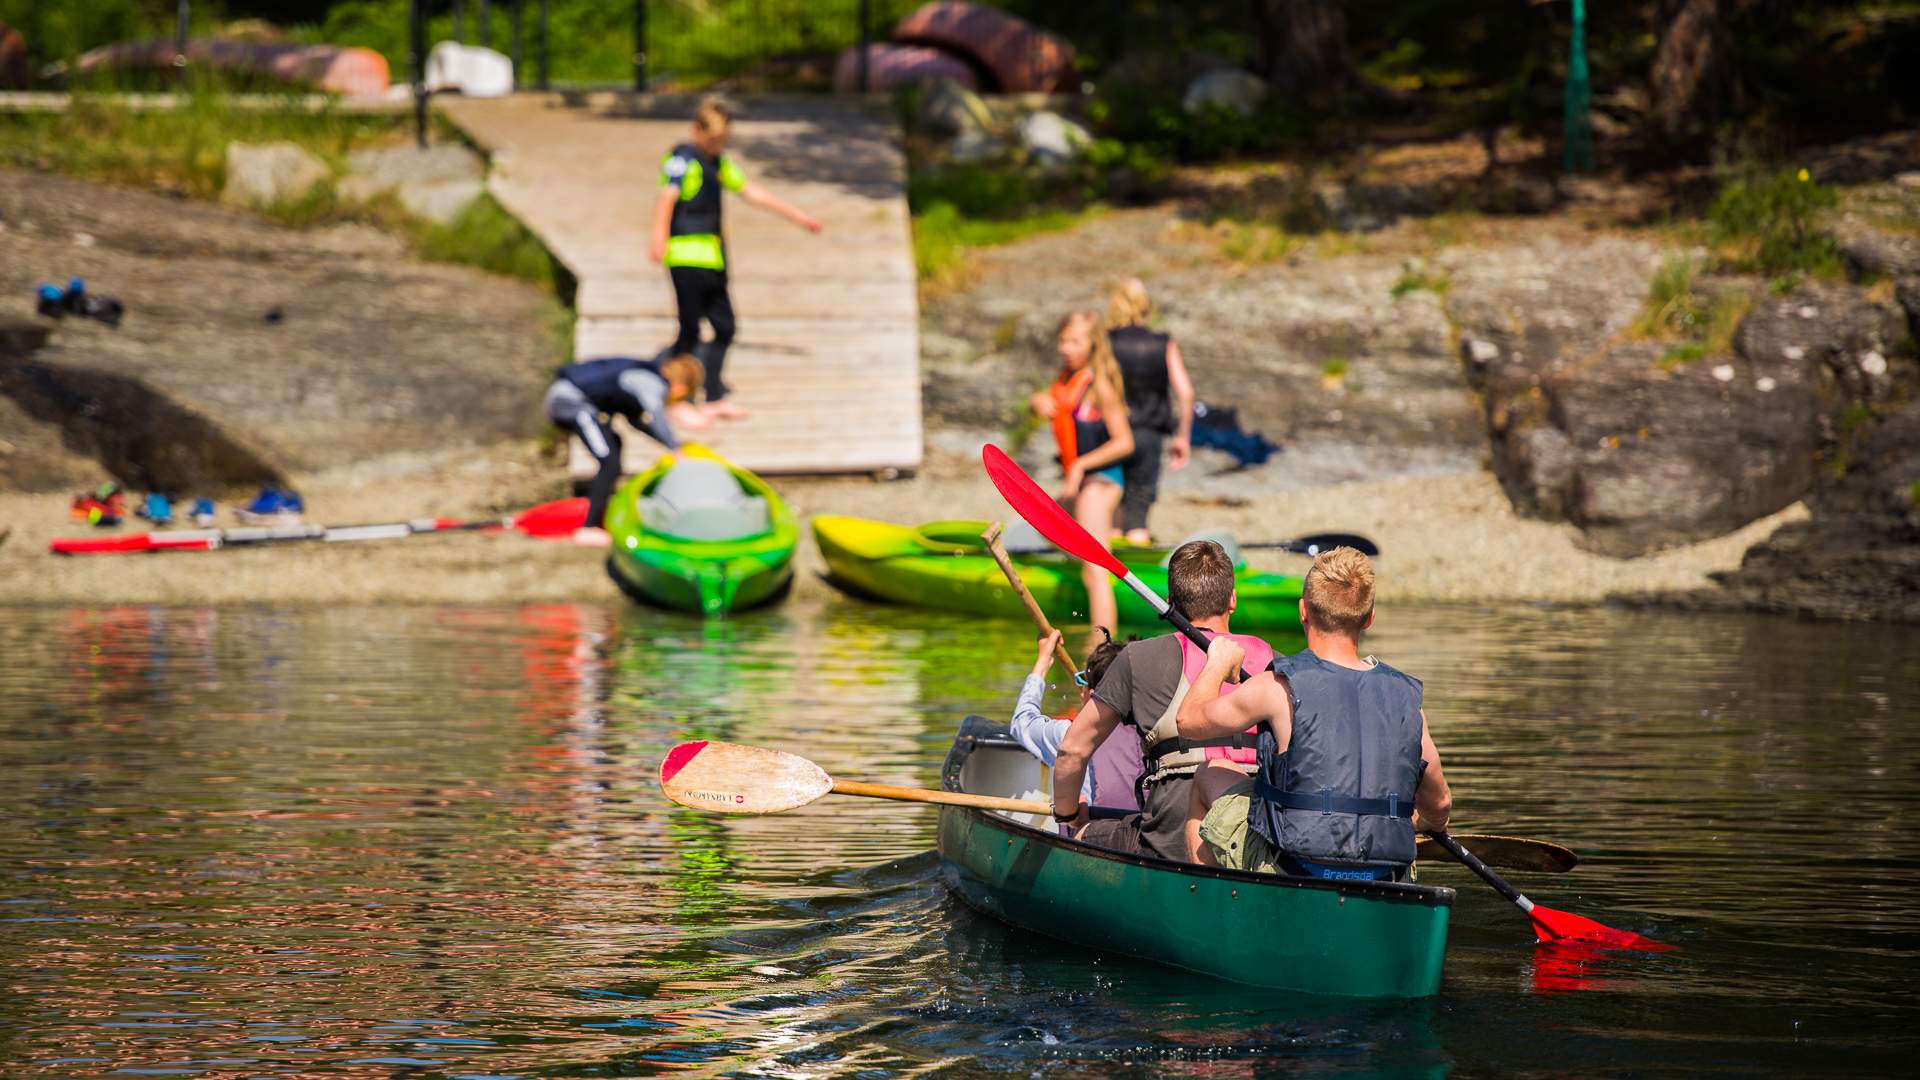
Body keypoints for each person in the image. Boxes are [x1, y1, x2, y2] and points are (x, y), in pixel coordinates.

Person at [1177, 548, 1452, 881]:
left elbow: (1189, 721)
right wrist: (1412, 822)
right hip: (1384, 875)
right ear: (1369, 618)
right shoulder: (1408, 702)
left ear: (1303, 611)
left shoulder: (1276, 687)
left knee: (1211, 771)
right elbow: (1439, 806)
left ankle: (1209, 906)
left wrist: (1217, 663)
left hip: (1295, 868)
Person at [1047, 540, 1272, 862]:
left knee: (1083, 835)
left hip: (1167, 839)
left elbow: (1072, 750)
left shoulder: (1138, 658)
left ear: (1169, 602)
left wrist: (1068, 816)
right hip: (1254, 830)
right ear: (1232, 601)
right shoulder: (1275, 664)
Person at [649, 99, 823, 410]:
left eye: (722, 141)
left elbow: (752, 191)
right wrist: (659, 236)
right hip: (686, 257)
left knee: (725, 327)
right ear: (696, 131)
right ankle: (661, 387)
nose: (717, 146)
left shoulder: (719, 164)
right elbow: (667, 197)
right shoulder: (682, 159)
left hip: (713, 258)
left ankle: (713, 394)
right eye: (712, 140)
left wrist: (799, 217)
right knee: (690, 331)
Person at [1028, 311, 1135, 636]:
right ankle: (1101, 548)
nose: (1066, 348)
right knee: (1043, 524)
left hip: (1102, 482)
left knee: (1095, 572)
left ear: (1092, 345)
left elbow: (1125, 442)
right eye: (1063, 340)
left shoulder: (1099, 386)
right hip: (1083, 483)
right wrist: (1037, 401)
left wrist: (1080, 465)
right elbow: (1050, 404)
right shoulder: (1063, 381)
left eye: (1075, 341)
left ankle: (1100, 653)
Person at [544, 354, 707, 545]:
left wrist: (671, 447)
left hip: (575, 402)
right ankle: (588, 529)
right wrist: (675, 448)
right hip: (570, 402)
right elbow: (656, 415)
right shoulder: (652, 383)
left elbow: (636, 421)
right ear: (681, 389)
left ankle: (599, 514)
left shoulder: (644, 377)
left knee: (615, 444)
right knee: (609, 462)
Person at [1007, 628, 1133, 845]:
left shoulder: (1068, 734)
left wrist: (1042, 661)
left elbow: (1022, 722)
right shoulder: (1155, 727)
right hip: (1145, 837)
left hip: (1093, 841)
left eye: (1083, 681)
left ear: (1092, 695)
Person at [1104, 279, 1195, 544]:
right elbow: (1186, 393)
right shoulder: (1162, 342)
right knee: (1138, 511)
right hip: (1149, 436)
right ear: (1146, 305)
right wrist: (1182, 437)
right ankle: (1136, 573)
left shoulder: (1107, 343)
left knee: (1111, 509)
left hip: (1111, 434)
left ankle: (1107, 575)